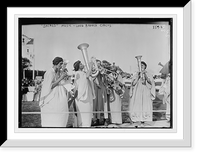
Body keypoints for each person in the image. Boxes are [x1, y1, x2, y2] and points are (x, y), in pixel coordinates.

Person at [39, 57, 69, 127]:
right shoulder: (49, 72)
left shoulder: (56, 71)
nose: (61, 65)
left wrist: (62, 73)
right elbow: (50, 86)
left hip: (58, 96)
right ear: (56, 63)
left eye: (62, 64)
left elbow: (58, 80)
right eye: (60, 64)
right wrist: (61, 77)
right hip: (51, 98)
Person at [129, 61, 156, 126]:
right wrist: (138, 76)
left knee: (145, 105)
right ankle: (139, 120)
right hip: (138, 91)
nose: (141, 67)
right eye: (140, 65)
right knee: (138, 105)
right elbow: (133, 83)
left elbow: (151, 83)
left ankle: (143, 121)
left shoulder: (148, 74)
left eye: (142, 65)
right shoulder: (136, 74)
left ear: (145, 67)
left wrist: (145, 76)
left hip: (145, 91)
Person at [73, 60, 95, 127]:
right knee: (82, 114)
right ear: (78, 66)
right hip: (82, 97)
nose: (83, 65)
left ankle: (86, 125)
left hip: (87, 96)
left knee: (88, 113)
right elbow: (87, 76)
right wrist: (90, 66)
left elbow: (88, 77)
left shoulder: (82, 73)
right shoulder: (78, 73)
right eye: (81, 64)